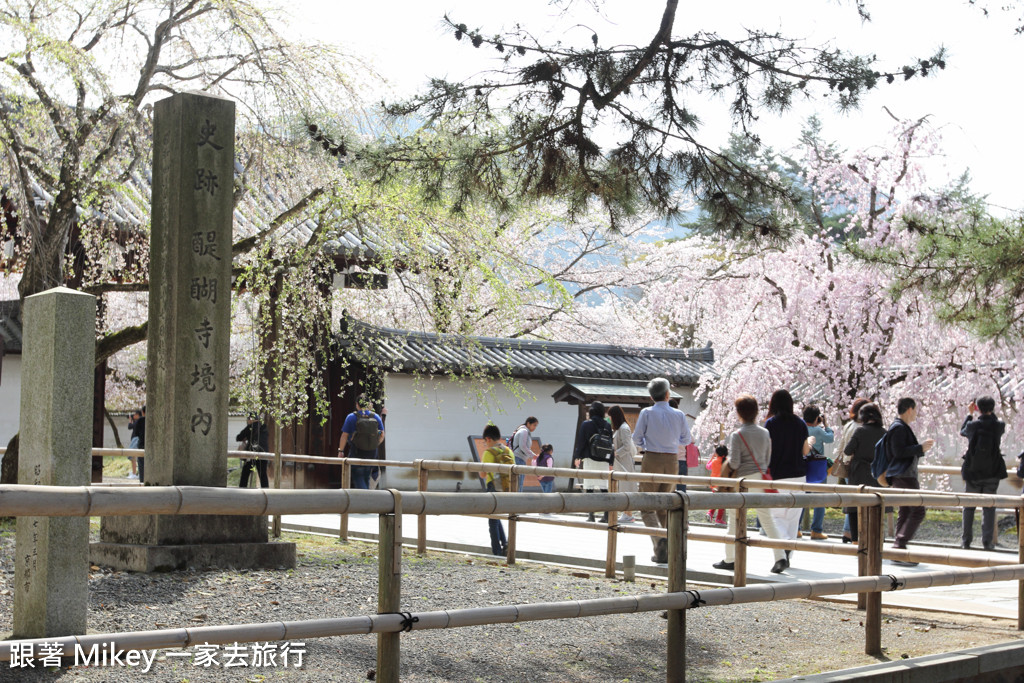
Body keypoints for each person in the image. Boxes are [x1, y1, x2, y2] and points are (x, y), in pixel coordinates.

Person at [713, 394, 789, 574]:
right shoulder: (765, 432)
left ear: (739, 413)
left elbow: (736, 463)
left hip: (743, 481)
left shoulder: (738, 434)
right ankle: (780, 557)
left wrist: (727, 464)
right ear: (756, 412)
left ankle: (731, 558)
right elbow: (768, 458)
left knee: (734, 518)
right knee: (767, 519)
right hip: (761, 479)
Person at [632, 377, 693, 564]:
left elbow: (636, 438)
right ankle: (665, 549)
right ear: (668, 394)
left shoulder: (647, 412)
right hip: (672, 460)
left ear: (651, 396)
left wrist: (647, 444)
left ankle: (660, 541)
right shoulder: (679, 414)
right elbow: (687, 440)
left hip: (652, 458)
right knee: (665, 505)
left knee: (647, 505)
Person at [885, 397, 936, 565]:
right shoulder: (899, 428)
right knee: (918, 510)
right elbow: (898, 451)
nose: (916, 413)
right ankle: (900, 543)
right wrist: (919, 448)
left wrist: (920, 449)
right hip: (904, 475)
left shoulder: (899, 427)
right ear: (909, 409)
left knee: (906, 510)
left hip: (902, 474)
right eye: (915, 410)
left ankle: (898, 549)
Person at [764, 389, 809, 569]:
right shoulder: (800, 423)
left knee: (775, 516)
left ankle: (782, 548)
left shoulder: (771, 424)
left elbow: (767, 451)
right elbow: (805, 451)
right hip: (799, 475)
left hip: (777, 475)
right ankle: (788, 549)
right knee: (793, 516)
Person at [960, 396, 1007, 550]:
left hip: (973, 473)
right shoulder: (999, 426)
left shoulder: (973, 426)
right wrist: (988, 412)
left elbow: (962, 431)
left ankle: (966, 541)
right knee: (989, 507)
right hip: (992, 473)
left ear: (978, 408)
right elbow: (994, 421)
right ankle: (987, 542)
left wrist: (970, 414)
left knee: (969, 507)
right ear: (992, 409)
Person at [843, 402, 887, 542]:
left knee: (855, 505)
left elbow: (847, 450)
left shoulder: (860, 431)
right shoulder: (884, 433)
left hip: (858, 473)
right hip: (876, 474)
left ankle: (856, 539)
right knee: (875, 505)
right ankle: (875, 539)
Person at [835, 397, 870, 542]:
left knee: (852, 500)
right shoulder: (859, 428)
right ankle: (848, 531)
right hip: (855, 466)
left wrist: (841, 458)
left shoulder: (849, 425)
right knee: (856, 501)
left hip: (847, 463)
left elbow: (842, 445)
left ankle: (847, 531)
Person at [573, 402, 613, 523]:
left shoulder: (586, 424)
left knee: (589, 487)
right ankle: (606, 515)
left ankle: (591, 515)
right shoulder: (607, 424)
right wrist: (611, 461)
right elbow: (610, 444)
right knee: (604, 488)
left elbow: (581, 442)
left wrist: (577, 457)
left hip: (590, 458)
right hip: (604, 460)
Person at [337, 394, 385, 490]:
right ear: (368, 404)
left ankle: (366, 501)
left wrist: (340, 451)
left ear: (357, 404)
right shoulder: (375, 416)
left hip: (357, 451)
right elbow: (382, 435)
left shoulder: (351, 417)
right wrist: (374, 444)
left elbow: (344, 436)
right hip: (372, 453)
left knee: (358, 477)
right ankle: (366, 499)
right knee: (366, 476)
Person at [481, 423, 514, 556]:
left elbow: (482, 474)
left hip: (493, 487)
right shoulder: (508, 451)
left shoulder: (489, 453)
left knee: (492, 520)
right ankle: (505, 543)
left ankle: (497, 552)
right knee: (497, 516)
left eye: (485, 442)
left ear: (488, 439)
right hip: (506, 488)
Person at [802, 405, 834, 540]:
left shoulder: (801, 428)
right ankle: (816, 530)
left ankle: (797, 529)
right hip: (817, 466)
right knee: (820, 498)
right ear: (817, 418)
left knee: (802, 497)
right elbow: (830, 438)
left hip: (803, 465)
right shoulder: (818, 430)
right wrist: (826, 425)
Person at [609, 406, 637, 524]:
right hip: (621, 461)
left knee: (626, 487)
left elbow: (627, 446)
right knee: (624, 487)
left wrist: (616, 453)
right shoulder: (620, 428)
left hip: (624, 461)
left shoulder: (624, 428)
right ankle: (626, 513)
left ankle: (628, 514)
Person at [236, 412, 270, 488]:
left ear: (250, 419)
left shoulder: (250, 427)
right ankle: (266, 490)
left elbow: (238, 437)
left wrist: (246, 437)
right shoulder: (264, 427)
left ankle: (242, 488)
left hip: (252, 454)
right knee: (263, 474)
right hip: (264, 454)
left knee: (245, 472)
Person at [511, 417, 539, 491]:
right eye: (534, 425)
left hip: (519, 458)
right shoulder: (524, 431)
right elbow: (523, 446)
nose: (535, 427)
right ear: (528, 423)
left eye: (536, 426)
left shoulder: (522, 431)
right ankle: (518, 501)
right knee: (519, 484)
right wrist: (533, 456)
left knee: (517, 483)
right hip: (519, 459)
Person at [126, 410, 141, 479]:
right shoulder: (138, 421)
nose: (133, 416)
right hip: (135, 440)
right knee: (134, 457)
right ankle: (135, 473)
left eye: (135, 414)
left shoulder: (139, 421)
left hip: (136, 440)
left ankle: (134, 473)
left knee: (133, 456)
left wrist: (130, 421)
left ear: (138, 415)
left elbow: (130, 426)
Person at [134, 405, 146, 482]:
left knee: (141, 465)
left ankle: (142, 480)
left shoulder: (140, 420)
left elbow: (136, 433)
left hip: (142, 444)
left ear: (143, 412)